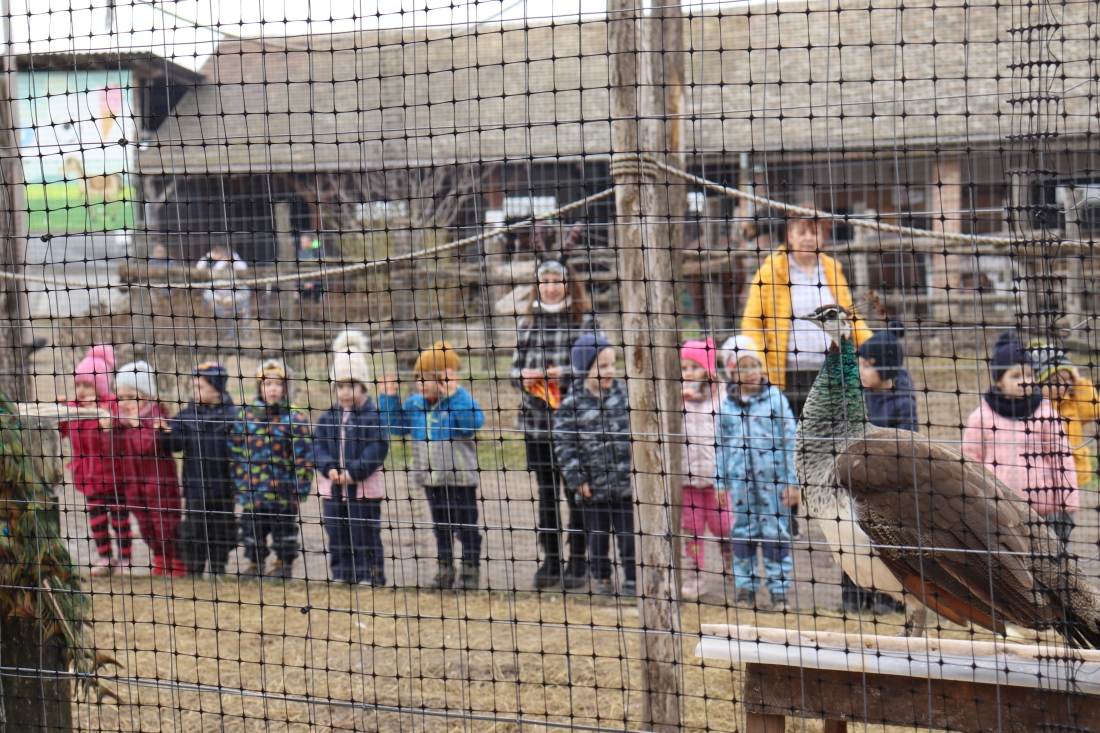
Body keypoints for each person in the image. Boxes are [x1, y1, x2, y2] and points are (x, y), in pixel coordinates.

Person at [510, 259, 602, 590]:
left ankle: (578, 560)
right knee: (546, 494)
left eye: (557, 281)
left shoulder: (586, 321)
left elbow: (600, 368)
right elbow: (513, 371)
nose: (551, 288)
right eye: (545, 281)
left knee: (578, 492)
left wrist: (565, 375)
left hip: (576, 424)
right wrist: (524, 377)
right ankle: (551, 561)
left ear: (569, 284)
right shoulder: (527, 324)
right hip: (537, 425)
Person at [739, 208, 873, 417]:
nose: (808, 238)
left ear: (824, 236)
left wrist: (873, 346)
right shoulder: (770, 271)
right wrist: (760, 366)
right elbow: (752, 324)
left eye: (815, 232)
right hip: (789, 374)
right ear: (789, 236)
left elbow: (848, 317)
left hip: (831, 371)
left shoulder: (832, 269)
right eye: (802, 233)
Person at [380, 342, 485, 590]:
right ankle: (444, 568)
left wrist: (455, 394)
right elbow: (396, 427)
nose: (421, 383)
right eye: (418, 378)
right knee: (441, 526)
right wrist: (388, 398)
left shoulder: (458, 401)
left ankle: (470, 569)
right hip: (431, 480)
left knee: (466, 527)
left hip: (460, 480)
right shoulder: (414, 404)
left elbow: (472, 424)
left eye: (427, 378)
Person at [963, 331, 1078, 545]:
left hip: (1042, 510)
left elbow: (1061, 458)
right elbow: (970, 461)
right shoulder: (981, 416)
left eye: (1029, 375)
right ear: (999, 381)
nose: (1024, 381)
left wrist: (1067, 502)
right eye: (1015, 376)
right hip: (999, 511)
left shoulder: (1046, 413)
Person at [717, 335, 798, 610]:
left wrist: (793, 482)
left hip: (774, 486)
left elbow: (791, 442)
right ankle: (745, 588)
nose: (751, 373)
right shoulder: (726, 406)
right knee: (743, 534)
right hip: (740, 487)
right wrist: (720, 482)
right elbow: (720, 445)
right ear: (731, 373)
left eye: (754, 365)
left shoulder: (776, 399)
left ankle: (779, 591)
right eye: (743, 368)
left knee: (776, 534)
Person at [553, 335, 636, 598]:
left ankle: (633, 579)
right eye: (602, 365)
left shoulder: (626, 396)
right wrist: (578, 479)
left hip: (626, 485)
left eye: (613, 364)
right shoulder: (570, 405)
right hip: (593, 488)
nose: (610, 371)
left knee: (629, 537)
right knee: (597, 538)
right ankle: (602, 579)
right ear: (584, 368)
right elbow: (564, 445)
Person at [846, 323, 918, 614]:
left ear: (884, 368)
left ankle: (892, 600)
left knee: (891, 545)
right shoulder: (858, 398)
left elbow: (907, 448)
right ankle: (854, 599)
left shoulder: (903, 403)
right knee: (853, 538)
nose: (860, 371)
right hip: (859, 484)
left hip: (889, 489)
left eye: (867, 365)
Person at [314, 331, 390, 585]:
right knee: (337, 533)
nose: (345, 392)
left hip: (363, 490)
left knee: (364, 533)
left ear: (363, 386)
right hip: (333, 488)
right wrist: (328, 468)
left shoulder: (372, 416)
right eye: (340, 386)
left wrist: (353, 472)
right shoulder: (328, 417)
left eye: (351, 386)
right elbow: (317, 446)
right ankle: (342, 574)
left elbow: (377, 448)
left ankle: (370, 574)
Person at [228, 360, 313, 579]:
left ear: (285, 388)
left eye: (278, 384)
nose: (273, 389)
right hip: (253, 492)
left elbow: (304, 458)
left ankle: (283, 565)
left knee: (284, 532)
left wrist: (299, 489)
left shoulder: (294, 419)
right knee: (251, 531)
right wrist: (237, 484)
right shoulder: (245, 417)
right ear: (259, 387)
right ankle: (255, 564)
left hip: (283, 494)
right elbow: (235, 453)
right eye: (267, 384)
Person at [159, 362, 239, 577]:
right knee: (195, 529)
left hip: (224, 488)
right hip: (195, 487)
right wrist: (165, 434)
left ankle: (218, 568)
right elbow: (176, 445)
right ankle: (194, 569)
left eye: (200, 387)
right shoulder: (185, 416)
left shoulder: (234, 416)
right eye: (193, 387)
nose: (195, 392)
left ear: (216, 389)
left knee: (222, 529)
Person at [59, 345, 129, 577]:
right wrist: (59, 413)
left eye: (87, 385)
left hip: (113, 474)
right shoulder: (73, 409)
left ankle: (125, 558)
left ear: (99, 386)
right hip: (87, 475)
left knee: (120, 518)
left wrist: (110, 423)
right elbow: (63, 431)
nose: (81, 390)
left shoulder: (111, 406)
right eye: (78, 385)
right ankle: (105, 557)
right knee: (97, 518)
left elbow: (123, 431)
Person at [114, 361, 187, 577]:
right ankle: (159, 556)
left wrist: (136, 425)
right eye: (121, 397)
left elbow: (145, 445)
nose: (125, 402)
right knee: (145, 526)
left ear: (146, 396)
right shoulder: (120, 421)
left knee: (166, 524)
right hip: (134, 486)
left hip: (160, 485)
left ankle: (176, 559)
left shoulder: (156, 417)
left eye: (131, 396)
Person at [679, 338, 732, 602]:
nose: (688, 373)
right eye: (684, 368)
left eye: (694, 367)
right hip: (686, 477)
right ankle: (695, 576)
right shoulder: (676, 398)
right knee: (692, 530)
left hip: (716, 479)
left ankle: (731, 561)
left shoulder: (722, 398)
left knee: (724, 525)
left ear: (708, 369)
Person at [1030, 340, 1100, 491]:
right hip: (1044, 474)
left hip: (1074, 471)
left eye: (1068, 379)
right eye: (1054, 381)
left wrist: (1079, 381)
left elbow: (1093, 409)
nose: (1062, 385)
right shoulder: (1035, 408)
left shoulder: (1072, 402)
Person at [196, 242, 251, 343]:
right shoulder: (216, 272)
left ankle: (244, 334)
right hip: (219, 304)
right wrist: (216, 299)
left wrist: (232, 299)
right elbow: (207, 292)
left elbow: (245, 292)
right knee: (220, 313)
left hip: (235, 303)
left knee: (241, 309)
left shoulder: (237, 274)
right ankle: (223, 335)